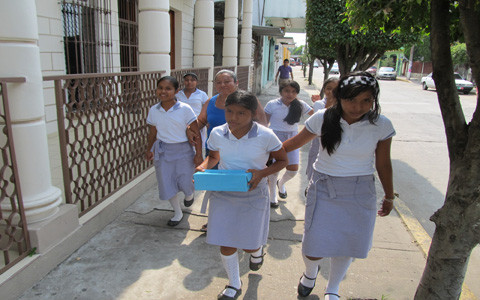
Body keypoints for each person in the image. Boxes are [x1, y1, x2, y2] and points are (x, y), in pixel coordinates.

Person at [283, 71, 396, 299]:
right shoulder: (322, 118)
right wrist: (262, 155)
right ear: (340, 96)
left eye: (366, 100)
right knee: (313, 244)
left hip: (360, 189)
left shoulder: (381, 125)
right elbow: (292, 144)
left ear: (374, 100)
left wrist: (389, 196)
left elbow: (383, 163)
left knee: (347, 243)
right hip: (324, 186)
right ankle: (310, 272)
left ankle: (332, 288)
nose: (358, 107)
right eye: (351, 100)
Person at [196, 90, 288, 300]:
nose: (233, 118)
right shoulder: (218, 133)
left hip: (254, 194)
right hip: (223, 192)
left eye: (241, 113)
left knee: (250, 243)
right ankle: (234, 284)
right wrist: (203, 168)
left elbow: (282, 160)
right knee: (226, 241)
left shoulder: (265, 135)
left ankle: (256, 250)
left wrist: (261, 173)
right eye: (230, 111)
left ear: (253, 113)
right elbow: (213, 157)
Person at [193, 69, 267, 232]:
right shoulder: (211, 102)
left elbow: (262, 122)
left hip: (240, 153)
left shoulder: (249, 100)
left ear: (236, 83)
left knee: (239, 188)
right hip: (214, 152)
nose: (222, 85)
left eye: (227, 81)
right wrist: (190, 129)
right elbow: (201, 121)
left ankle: (241, 221)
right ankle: (214, 220)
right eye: (218, 82)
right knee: (216, 189)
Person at [145, 76, 203, 227]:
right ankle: (177, 212)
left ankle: (189, 194)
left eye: (168, 88)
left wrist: (198, 154)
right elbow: (152, 133)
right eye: (160, 88)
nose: (163, 91)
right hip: (163, 151)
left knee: (186, 182)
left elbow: (196, 133)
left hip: (183, 150)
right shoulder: (154, 110)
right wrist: (149, 149)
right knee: (167, 183)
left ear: (176, 91)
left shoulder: (184, 109)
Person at [264, 80, 313, 208]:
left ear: (297, 93)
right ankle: (272, 197)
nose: (290, 94)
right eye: (286, 91)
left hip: (293, 139)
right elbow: (264, 123)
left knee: (293, 170)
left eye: (293, 91)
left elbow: (316, 116)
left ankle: (281, 183)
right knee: (274, 169)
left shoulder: (301, 104)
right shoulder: (272, 104)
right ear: (281, 91)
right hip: (275, 138)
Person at [306, 77, 339, 184]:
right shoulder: (319, 104)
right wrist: (330, 102)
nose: (332, 92)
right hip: (319, 141)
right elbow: (321, 123)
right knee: (315, 164)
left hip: (336, 142)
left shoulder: (345, 106)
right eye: (329, 88)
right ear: (324, 89)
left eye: (336, 89)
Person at [176, 72, 209, 146]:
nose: (189, 82)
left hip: (197, 124)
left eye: (192, 80)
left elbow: (206, 108)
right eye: (187, 80)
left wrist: (207, 121)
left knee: (197, 144)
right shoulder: (178, 95)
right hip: (182, 124)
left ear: (196, 82)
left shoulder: (202, 95)